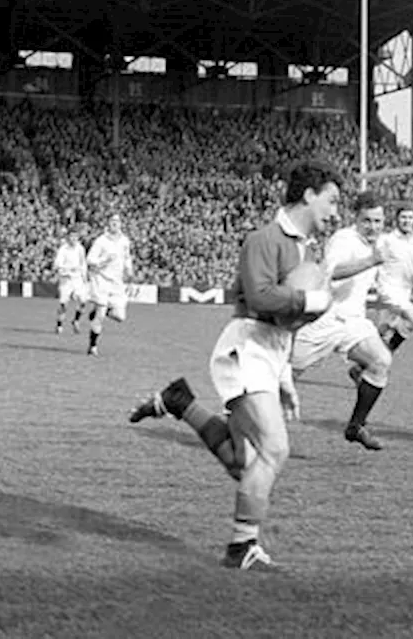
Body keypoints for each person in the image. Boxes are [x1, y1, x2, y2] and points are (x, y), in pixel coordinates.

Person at [127, 160, 341, 571]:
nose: (334, 212)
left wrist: (285, 376)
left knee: (244, 464)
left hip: (268, 355)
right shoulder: (264, 239)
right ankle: (242, 547)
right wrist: (313, 302)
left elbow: (285, 326)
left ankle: (179, 401)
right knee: (275, 449)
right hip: (246, 351)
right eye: (331, 201)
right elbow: (260, 299)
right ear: (309, 195)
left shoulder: (304, 249)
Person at [289, 190, 396, 451]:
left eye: (378, 221)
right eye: (367, 220)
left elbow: (374, 282)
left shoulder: (376, 246)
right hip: (325, 319)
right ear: (356, 219)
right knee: (285, 375)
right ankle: (242, 417)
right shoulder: (343, 239)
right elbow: (333, 273)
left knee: (381, 361)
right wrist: (370, 261)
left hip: (353, 322)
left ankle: (356, 426)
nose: (373, 227)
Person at [373, 205, 413, 353]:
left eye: (410, 217)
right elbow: (374, 261)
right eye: (403, 217)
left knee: (383, 332)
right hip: (387, 289)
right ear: (397, 219)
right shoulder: (387, 239)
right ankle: (389, 350)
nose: (406, 221)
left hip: (406, 292)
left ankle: (365, 367)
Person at [85, 213, 133, 356]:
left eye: (117, 221)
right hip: (102, 280)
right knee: (100, 315)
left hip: (117, 283)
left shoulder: (125, 241)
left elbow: (127, 257)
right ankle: (92, 346)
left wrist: (129, 272)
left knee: (120, 317)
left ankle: (102, 311)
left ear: (121, 224)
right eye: (112, 221)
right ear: (108, 223)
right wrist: (103, 261)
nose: (115, 223)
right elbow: (90, 259)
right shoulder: (101, 241)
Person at [53, 228, 88, 334]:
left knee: (83, 301)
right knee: (64, 304)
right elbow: (57, 264)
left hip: (77, 279)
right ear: (68, 237)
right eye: (71, 236)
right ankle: (59, 325)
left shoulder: (80, 249)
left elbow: (83, 263)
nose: (73, 239)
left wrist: (84, 276)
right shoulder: (63, 249)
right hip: (66, 279)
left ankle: (76, 321)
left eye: (75, 237)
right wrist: (66, 268)